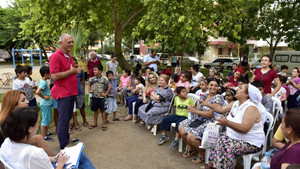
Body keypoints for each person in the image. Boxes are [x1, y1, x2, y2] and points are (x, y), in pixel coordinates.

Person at [0, 107, 95, 169]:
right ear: (29, 128)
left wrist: (52, 158)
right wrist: (61, 163)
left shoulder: (6, 143)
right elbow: (33, 157)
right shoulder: (34, 152)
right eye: (37, 123)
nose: (38, 126)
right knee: (81, 157)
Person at [206, 84, 265, 169]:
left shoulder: (251, 108)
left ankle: (224, 167)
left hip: (251, 142)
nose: (237, 89)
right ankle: (214, 165)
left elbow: (245, 129)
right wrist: (206, 104)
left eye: (240, 88)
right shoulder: (236, 103)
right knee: (218, 138)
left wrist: (226, 122)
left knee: (228, 147)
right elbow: (221, 109)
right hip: (235, 137)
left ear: (247, 94)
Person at [178, 78, 226, 164]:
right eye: (211, 85)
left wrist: (195, 111)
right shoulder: (204, 96)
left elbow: (211, 114)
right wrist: (193, 108)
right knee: (181, 127)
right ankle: (191, 147)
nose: (213, 87)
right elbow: (199, 109)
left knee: (191, 136)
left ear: (218, 87)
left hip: (212, 123)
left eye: (215, 86)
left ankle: (201, 153)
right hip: (200, 119)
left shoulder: (218, 97)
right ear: (207, 85)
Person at [49, 34, 80, 149]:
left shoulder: (69, 55)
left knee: (67, 118)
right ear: (61, 43)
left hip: (71, 92)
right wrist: (72, 72)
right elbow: (55, 76)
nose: (72, 44)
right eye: (69, 42)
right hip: (63, 93)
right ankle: (64, 146)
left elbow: (69, 70)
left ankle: (66, 139)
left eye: (72, 42)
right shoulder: (55, 56)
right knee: (63, 120)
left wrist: (76, 70)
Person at [0, 90, 54, 156]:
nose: (27, 102)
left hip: (13, 147)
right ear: (14, 105)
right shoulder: (8, 121)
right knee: (38, 139)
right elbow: (16, 142)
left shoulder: (12, 117)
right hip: (10, 151)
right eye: (23, 100)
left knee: (38, 138)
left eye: (26, 99)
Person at [88, 64, 110, 131]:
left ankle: (104, 124)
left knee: (102, 111)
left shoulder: (104, 79)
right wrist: (89, 90)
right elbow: (89, 84)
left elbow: (109, 86)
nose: (94, 71)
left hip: (101, 98)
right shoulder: (93, 78)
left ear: (100, 71)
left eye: (95, 70)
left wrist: (105, 93)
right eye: (93, 70)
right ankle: (95, 123)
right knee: (95, 111)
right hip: (94, 97)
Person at [36, 66, 54, 142]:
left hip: (47, 104)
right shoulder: (43, 82)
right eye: (50, 73)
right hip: (45, 104)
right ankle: (43, 136)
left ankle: (46, 132)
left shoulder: (43, 81)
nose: (51, 75)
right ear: (46, 74)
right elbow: (37, 91)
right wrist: (43, 97)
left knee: (48, 118)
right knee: (45, 120)